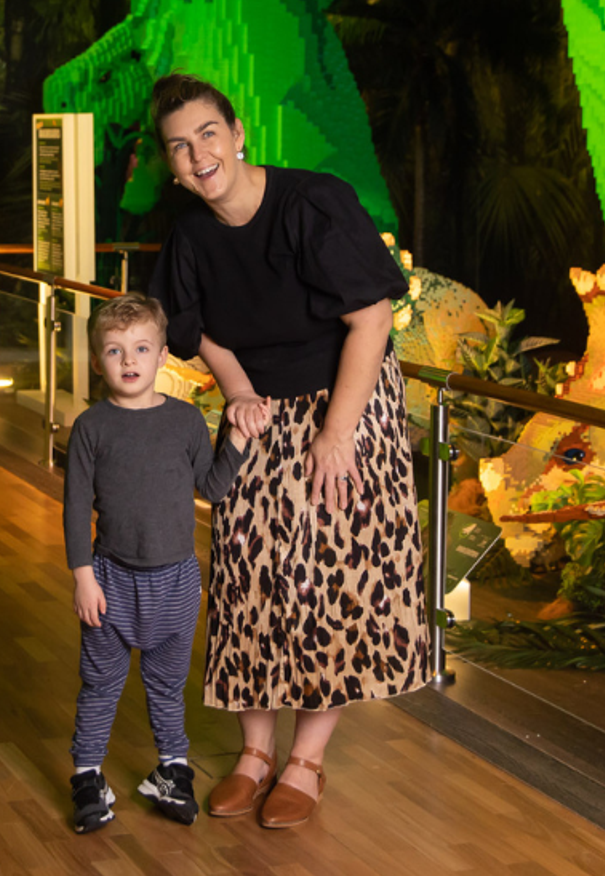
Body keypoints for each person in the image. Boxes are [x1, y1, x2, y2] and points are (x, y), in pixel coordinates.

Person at [146, 72, 423, 829]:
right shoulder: (192, 233)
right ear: (172, 165)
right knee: (249, 569)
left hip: (346, 396)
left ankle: (308, 760)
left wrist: (338, 435)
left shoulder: (311, 203)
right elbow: (194, 326)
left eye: (208, 134)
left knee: (325, 575)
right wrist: (236, 390)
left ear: (237, 135)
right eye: (180, 146)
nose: (198, 154)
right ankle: (254, 753)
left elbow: (371, 320)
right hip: (265, 405)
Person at [63, 292, 247, 835]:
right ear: (99, 361)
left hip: (177, 582)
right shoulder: (91, 428)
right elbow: (76, 508)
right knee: (100, 684)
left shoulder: (186, 421)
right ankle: (87, 775)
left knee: (167, 685)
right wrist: (82, 576)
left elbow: (212, 487)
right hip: (110, 580)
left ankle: (171, 769)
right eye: (116, 351)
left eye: (141, 349)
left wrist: (237, 438)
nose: (128, 361)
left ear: (162, 356)